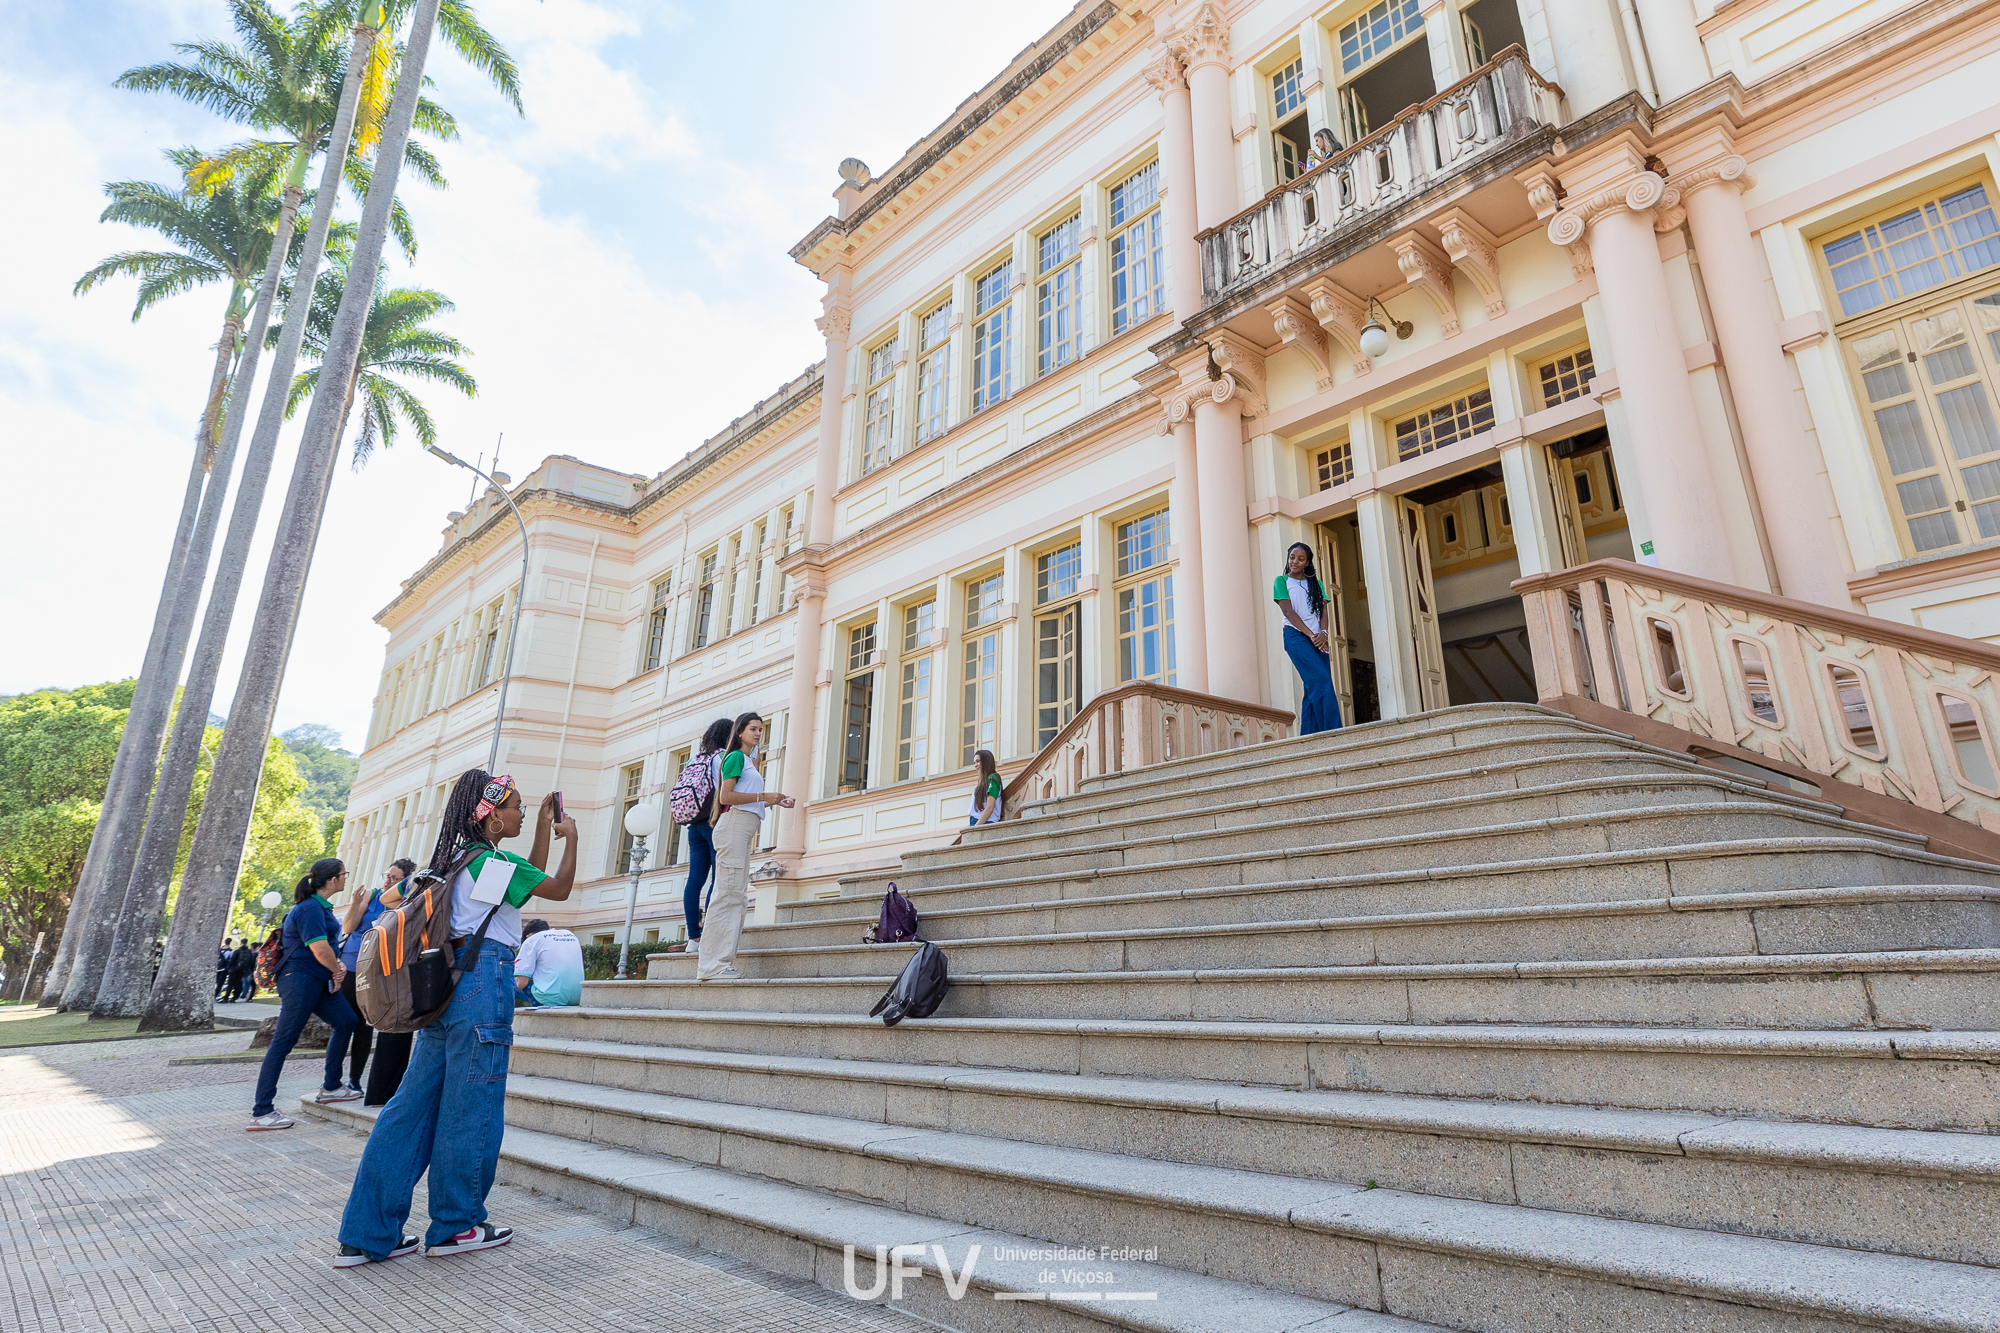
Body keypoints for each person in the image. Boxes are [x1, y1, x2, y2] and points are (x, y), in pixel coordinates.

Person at [335, 769, 578, 1267]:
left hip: (442, 990)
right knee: (473, 1105)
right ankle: (457, 1224)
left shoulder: (453, 862)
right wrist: (569, 839)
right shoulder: (489, 861)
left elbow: (523, 885)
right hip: (482, 980)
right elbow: (557, 889)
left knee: (410, 1108)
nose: (521, 811)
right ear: (487, 814)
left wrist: (538, 835)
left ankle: (366, 1233)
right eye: (513, 806)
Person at [247, 860, 361, 1131]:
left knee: (346, 1021)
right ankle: (262, 1111)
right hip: (301, 980)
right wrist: (337, 971)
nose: (346, 878)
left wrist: (334, 969)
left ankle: (332, 1086)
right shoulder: (309, 907)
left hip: (317, 980)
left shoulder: (320, 906)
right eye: (344, 874)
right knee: (283, 1043)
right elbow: (319, 948)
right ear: (333, 880)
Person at [696, 713, 796, 982]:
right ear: (739, 731)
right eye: (753, 729)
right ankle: (712, 966)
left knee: (735, 895)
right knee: (727, 894)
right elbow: (726, 796)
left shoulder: (749, 762)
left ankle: (720, 962)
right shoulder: (736, 758)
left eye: (761, 730)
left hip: (741, 828)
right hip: (733, 828)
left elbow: (744, 800)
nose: (758, 733)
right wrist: (764, 796)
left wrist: (774, 801)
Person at [336, 859, 413, 1094]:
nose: (387, 881)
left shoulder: (406, 902)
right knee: (344, 1023)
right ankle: (333, 1080)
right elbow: (348, 928)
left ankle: (355, 1080)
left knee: (364, 1026)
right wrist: (354, 904)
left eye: (394, 878)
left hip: (380, 972)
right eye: (387, 876)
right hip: (352, 967)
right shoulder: (372, 896)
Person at [1273, 541, 1344, 736]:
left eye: (1300, 559)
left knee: (1312, 684)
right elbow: (1288, 611)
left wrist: (1324, 634)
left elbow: (1323, 611)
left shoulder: (1316, 583)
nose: (1295, 561)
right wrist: (1311, 635)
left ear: (1307, 562)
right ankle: (1334, 733)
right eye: (1292, 557)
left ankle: (1309, 736)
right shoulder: (1281, 581)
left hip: (1319, 639)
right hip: (1296, 636)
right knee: (1321, 681)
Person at [680, 717, 734, 951]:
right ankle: (709, 932)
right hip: (714, 821)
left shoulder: (696, 759)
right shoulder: (723, 757)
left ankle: (694, 936)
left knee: (694, 880)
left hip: (694, 825)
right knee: (718, 877)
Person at [513, 919, 584, 1008]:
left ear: (528, 936)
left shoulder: (531, 940)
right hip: (577, 996)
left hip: (549, 997)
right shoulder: (570, 934)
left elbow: (521, 984)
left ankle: (502, 1019)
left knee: (504, 983)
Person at [968, 750, 1002, 826]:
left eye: (978, 761)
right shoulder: (983, 782)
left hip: (985, 822)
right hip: (977, 821)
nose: (975, 765)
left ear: (985, 761)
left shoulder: (993, 778)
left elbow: (990, 807)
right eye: (974, 763)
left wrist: (976, 827)